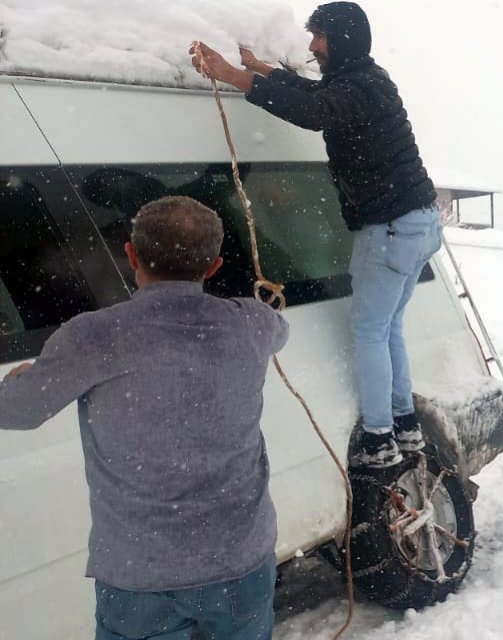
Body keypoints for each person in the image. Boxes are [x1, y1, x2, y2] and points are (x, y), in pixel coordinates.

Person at [0, 196, 288, 640]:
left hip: (142, 577)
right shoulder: (252, 323)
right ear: (213, 267)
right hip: (241, 561)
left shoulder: (91, 336)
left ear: (131, 254)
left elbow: (15, 410)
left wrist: (22, 380)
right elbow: (277, 326)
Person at [192, 2, 442, 468]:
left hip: (390, 230)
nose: (312, 45)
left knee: (371, 332)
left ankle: (378, 437)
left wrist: (230, 74)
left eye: (320, 35)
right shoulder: (365, 79)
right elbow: (316, 93)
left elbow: (312, 110)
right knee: (388, 330)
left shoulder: (359, 88)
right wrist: (262, 69)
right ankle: (404, 423)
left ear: (343, 38)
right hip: (418, 225)